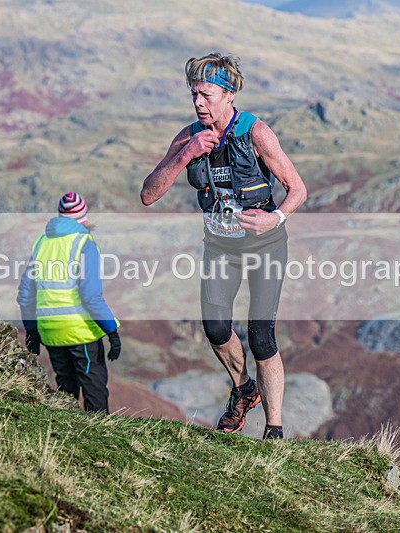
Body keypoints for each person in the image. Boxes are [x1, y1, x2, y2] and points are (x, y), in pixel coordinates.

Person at [140, 53, 307, 439]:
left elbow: (298, 189)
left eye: (207, 95)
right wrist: (186, 154)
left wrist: (275, 217)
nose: (198, 103)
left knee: (261, 337)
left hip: (265, 245)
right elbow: (149, 194)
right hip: (221, 248)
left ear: (229, 95)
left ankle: (275, 429)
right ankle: (243, 389)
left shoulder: (257, 133)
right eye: (194, 95)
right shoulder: (188, 137)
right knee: (215, 328)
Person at [17, 192, 122, 413]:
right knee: (94, 389)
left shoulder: (41, 243)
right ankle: (99, 440)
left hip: (50, 330)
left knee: (65, 390)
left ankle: (64, 441)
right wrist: (111, 330)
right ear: (83, 218)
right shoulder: (84, 243)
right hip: (79, 330)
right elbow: (90, 295)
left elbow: (26, 292)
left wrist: (32, 330)